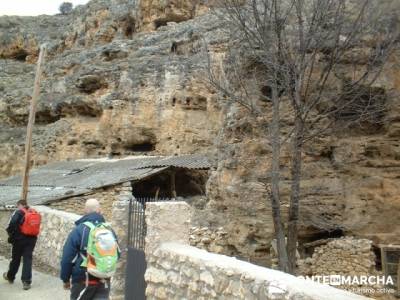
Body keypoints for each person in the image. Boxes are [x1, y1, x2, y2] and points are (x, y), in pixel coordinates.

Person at [60, 198, 115, 300]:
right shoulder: (109, 230)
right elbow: (117, 253)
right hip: (104, 278)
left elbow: (67, 258)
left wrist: (65, 279)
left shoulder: (79, 230)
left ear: (85, 211)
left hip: (83, 278)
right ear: (100, 210)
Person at [3, 200, 39, 290]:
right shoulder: (33, 212)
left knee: (15, 259)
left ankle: (10, 277)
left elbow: (11, 225)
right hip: (31, 239)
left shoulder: (19, 212)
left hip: (19, 240)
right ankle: (26, 282)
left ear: (20, 205)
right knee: (27, 260)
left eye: (17, 205)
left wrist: (11, 236)